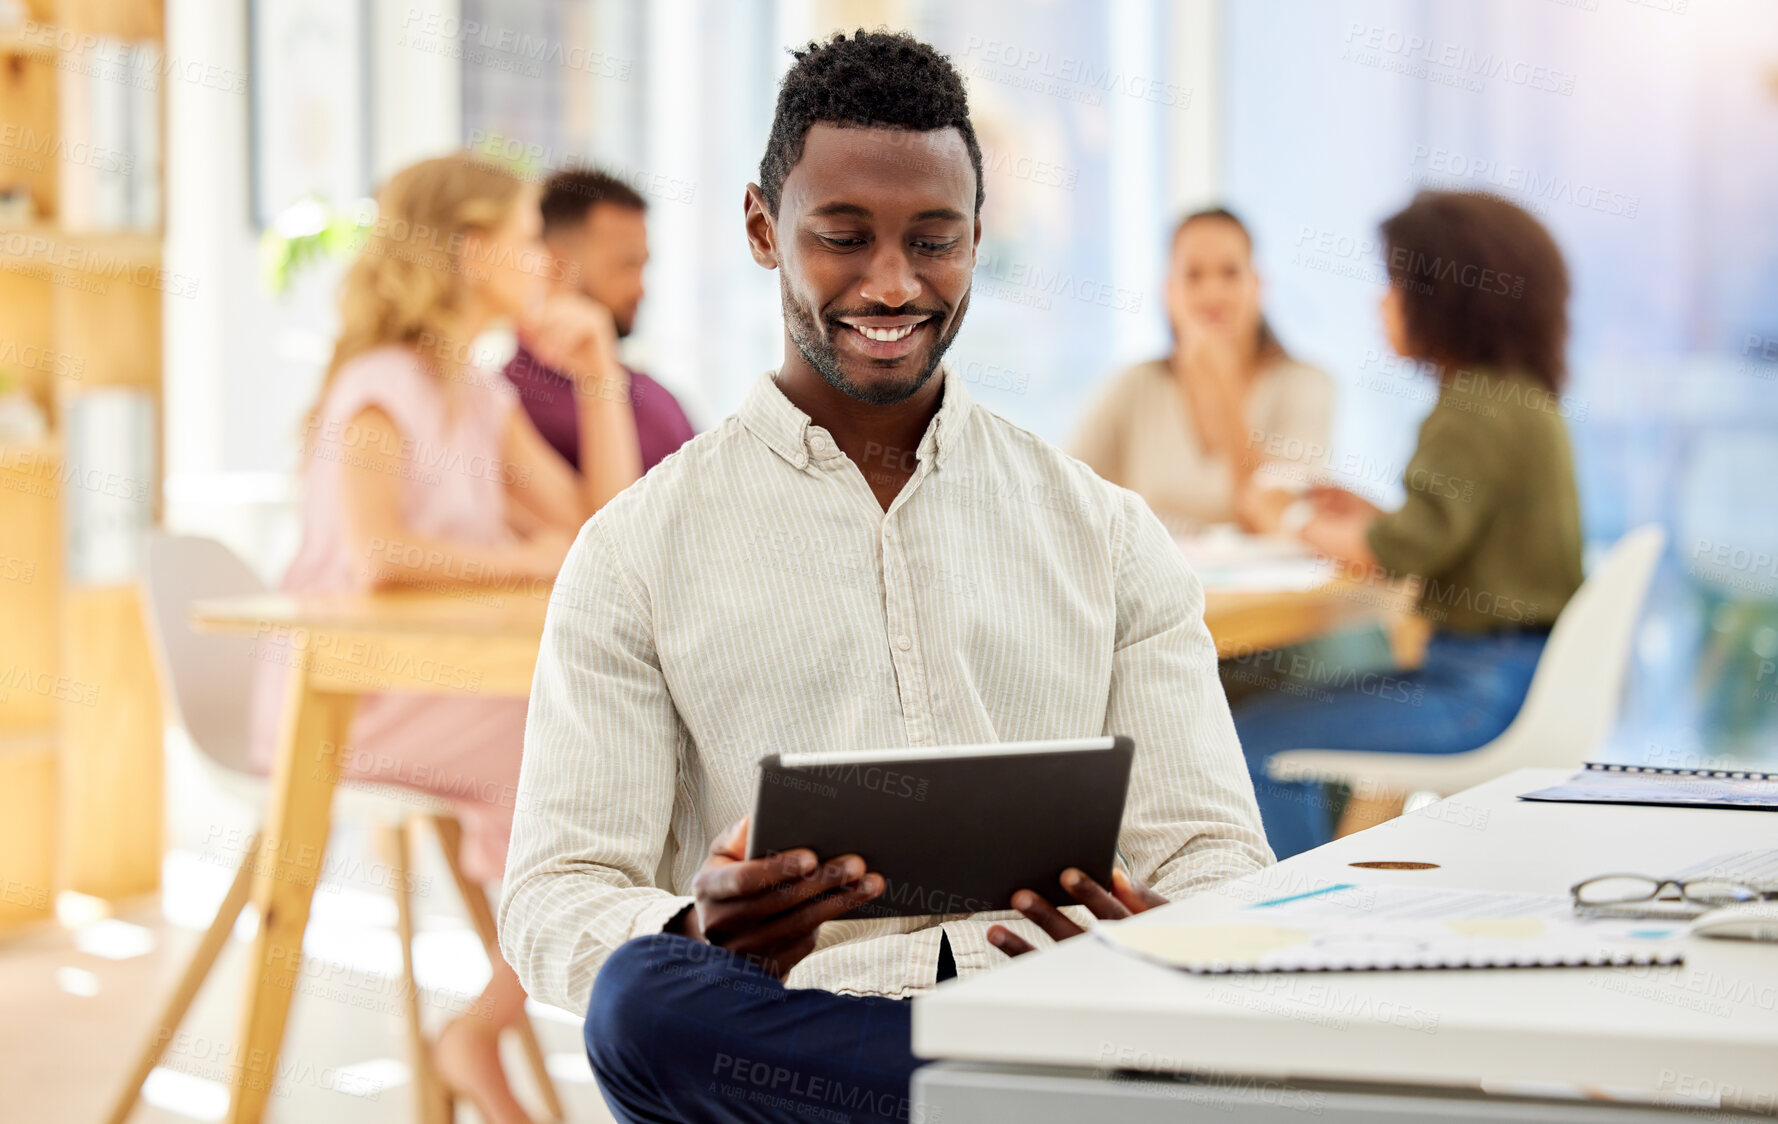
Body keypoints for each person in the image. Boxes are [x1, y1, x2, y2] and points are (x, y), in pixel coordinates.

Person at [496, 30, 1272, 1124]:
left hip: (1057, 1008)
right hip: (789, 1027)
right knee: (639, 998)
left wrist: (1150, 922)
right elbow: (552, 901)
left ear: (976, 239)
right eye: (842, 237)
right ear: (764, 229)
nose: (893, 282)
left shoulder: (1106, 532)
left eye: (932, 240)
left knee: (1218, 1015)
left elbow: (1215, 855)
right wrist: (694, 928)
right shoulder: (635, 551)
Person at [248, 153, 642, 1124]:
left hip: (436, 687)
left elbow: (605, 525)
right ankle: (493, 1023)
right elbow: (377, 547)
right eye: (522, 244)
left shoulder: (474, 391)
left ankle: (480, 1025)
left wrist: (597, 375)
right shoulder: (382, 384)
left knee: (598, 746)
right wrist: (528, 560)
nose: (542, 266)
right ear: (471, 254)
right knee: (571, 753)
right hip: (342, 698)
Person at [1233, 190, 1585, 859]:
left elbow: (1394, 553)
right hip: (1517, 675)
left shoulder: (1471, 408)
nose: (1381, 303)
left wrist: (1292, 516)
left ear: (1445, 298)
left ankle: (1296, 923)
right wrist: (1365, 511)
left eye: (1394, 282)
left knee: (1248, 741)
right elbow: (1448, 532)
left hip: (1476, 691)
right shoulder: (1519, 398)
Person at [1071, 207, 1333, 534]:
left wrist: (1223, 392)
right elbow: (1063, 491)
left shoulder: (1305, 386)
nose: (1213, 294)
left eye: (1230, 273)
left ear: (1257, 286)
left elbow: (1278, 520)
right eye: (1193, 275)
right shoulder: (1134, 386)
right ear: (1169, 291)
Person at [504, 167, 696, 475]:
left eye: (643, 266)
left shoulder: (656, 396)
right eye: (625, 266)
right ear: (556, 266)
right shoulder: (511, 405)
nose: (640, 289)